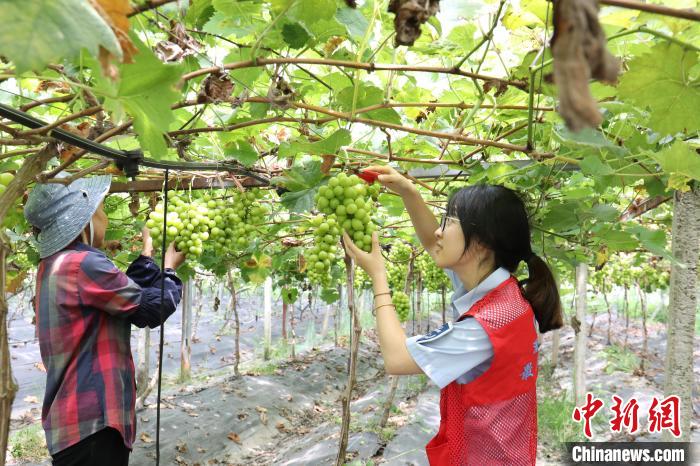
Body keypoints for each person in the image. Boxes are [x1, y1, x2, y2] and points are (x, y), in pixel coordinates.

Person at [342, 165, 563, 466]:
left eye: (449, 221)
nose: (438, 231)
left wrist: (379, 276)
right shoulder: (502, 294)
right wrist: (410, 194)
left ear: (482, 243)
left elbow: (396, 358)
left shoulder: (485, 328)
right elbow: (436, 247)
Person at [24, 174, 186, 466]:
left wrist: (147, 256)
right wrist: (170, 272)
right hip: (93, 421)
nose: (105, 218)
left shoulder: (57, 264)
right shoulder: (83, 264)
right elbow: (150, 310)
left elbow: (126, 299)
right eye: (100, 210)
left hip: (74, 423)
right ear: (83, 221)